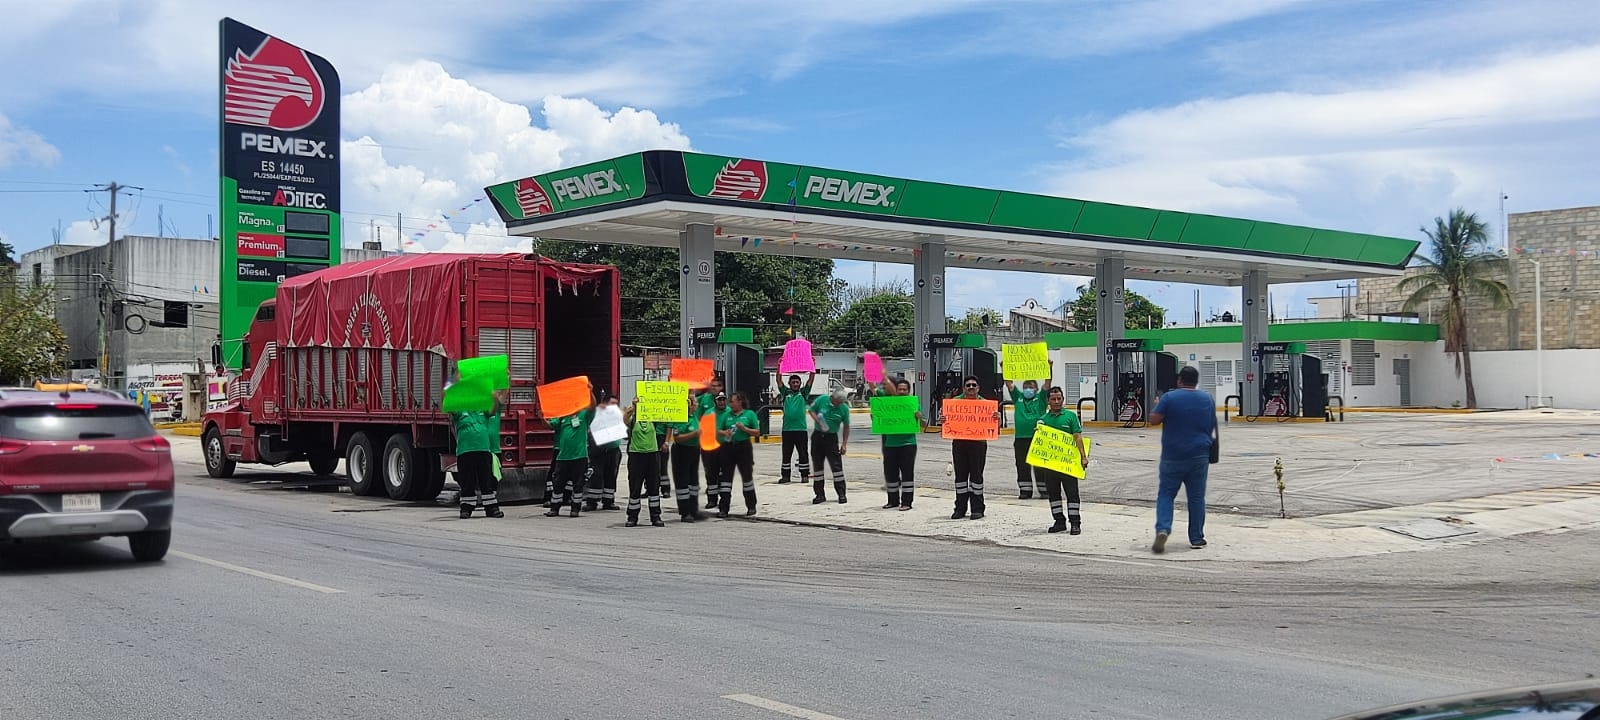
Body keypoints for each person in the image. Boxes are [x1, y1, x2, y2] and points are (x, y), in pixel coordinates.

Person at [1148, 365, 1216, 553]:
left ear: (1179, 380)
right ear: (1196, 381)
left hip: (1173, 456)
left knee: (1166, 494)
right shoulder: (1207, 399)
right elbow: (1211, 424)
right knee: (1196, 498)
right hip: (1199, 455)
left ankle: (1163, 528)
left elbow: (1154, 420)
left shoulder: (1170, 398)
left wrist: (1157, 404)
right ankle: (1196, 538)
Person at [1034, 386, 1087, 534]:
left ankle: (1075, 523)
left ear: (1063, 400)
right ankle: (1059, 521)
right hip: (1050, 466)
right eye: (1053, 399)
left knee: (1072, 494)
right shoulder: (1042, 421)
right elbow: (1039, 443)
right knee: (1054, 494)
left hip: (1068, 465)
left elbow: (1077, 437)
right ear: (1048, 401)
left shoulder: (1070, 417)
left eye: (1059, 399)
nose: (1056, 401)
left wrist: (1083, 456)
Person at [450, 387, 507, 519]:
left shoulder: (483, 411)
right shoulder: (459, 412)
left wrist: (493, 396)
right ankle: (466, 509)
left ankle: (491, 509)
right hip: (465, 451)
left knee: (486, 481)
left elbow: (493, 410)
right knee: (467, 482)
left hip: (483, 450)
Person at [949, 375, 999, 520]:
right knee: (960, 478)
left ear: (978, 388)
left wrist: (997, 418)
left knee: (976, 477)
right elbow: (947, 422)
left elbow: (994, 426)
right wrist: (944, 419)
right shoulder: (954, 403)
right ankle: (960, 508)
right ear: (964, 388)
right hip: (959, 443)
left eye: (973, 385)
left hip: (978, 444)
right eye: (968, 385)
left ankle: (977, 509)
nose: (971, 388)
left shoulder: (986, 405)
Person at [547, 385, 597, 518]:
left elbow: (593, 407)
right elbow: (551, 425)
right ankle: (554, 508)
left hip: (579, 456)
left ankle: (575, 509)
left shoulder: (584, 414)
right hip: (563, 456)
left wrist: (590, 391)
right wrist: (542, 417)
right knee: (558, 484)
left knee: (578, 484)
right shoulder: (562, 416)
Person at [875, 376, 923, 510]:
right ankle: (892, 500)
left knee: (907, 474)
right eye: (899, 389)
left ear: (908, 391)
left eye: (904, 389)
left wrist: (919, 417)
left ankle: (907, 502)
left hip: (908, 444)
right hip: (890, 444)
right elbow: (878, 417)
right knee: (891, 474)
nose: (902, 391)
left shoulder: (913, 405)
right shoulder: (888, 403)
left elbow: (923, 426)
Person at [621, 398, 667, 527]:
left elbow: (667, 416)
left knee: (653, 487)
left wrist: (681, 404)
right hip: (636, 456)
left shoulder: (653, 418)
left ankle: (655, 516)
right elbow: (624, 420)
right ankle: (632, 517)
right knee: (635, 488)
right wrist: (634, 407)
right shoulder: (633, 418)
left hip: (652, 455)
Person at [716, 391, 761, 518]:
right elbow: (719, 429)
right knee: (725, 479)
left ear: (740, 402)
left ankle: (751, 506)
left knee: (747, 477)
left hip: (743, 447)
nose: (730, 404)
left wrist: (744, 429)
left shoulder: (749, 414)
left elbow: (757, 432)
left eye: (732, 401)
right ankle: (723, 508)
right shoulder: (727, 415)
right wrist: (725, 433)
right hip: (728, 447)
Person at [1006, 377, 1050, 500]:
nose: (1028, 389)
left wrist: (1049, 368)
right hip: (1020, 438)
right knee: (1022, 465)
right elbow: (1009, 385)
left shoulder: (1041, 398)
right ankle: (1025, 490)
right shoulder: (1018, 397)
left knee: (1040, 465)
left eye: (1031, 387)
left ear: (1036, 389)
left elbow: (1047, 384)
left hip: (1038, 437)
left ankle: (1044, 490)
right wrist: (1005, 368)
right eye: (1025, 387)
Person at [666, 394, 707, 523]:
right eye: (694, 401)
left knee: (693, 482)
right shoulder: (680, 418)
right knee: (682, 482)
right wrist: (694, 434)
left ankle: (694, 510)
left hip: (694, 450)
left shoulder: (694, 416)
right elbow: (678, 438)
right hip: (681, 451)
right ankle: (685, 512)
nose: (697, 403)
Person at [807, 388, 851, 504]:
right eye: (837, 401)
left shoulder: (844, 409)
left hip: (831, 438)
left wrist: (844, 444)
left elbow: (846, 427)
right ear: (832, 397)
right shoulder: (822, 400)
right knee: (818, 467)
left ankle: (841, 494)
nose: (839, 404)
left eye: (841, 402)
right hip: (818, 436)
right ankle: (819, 495)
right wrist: (819, 421)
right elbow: (811, 410)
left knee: (836, 467)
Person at [774, 372, 816, 485]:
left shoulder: (804, 393)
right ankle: (785, 476)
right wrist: (779, 368)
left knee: (803, 453)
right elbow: (778, 380)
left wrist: (812, 367)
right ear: (789, 383)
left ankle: (804, 475)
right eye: (793, 382)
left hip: (801, 429)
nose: (795, 384)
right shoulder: (785, 393)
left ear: (800, 383)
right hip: (787, 430)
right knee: (786, 454)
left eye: (797, 382)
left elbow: (811, 380)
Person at [584, 395, 623, 512]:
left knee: (611, 476)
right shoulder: (597, 414)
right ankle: (592, 502)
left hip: (613, 450)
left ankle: (608, 501)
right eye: (612, 404)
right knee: (597, 476)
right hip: (599, 451)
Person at [696, 378, 726, 508]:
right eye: (712, 386)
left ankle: (724, 500)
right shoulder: (705, 404)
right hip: (708, 445)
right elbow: (697, 419)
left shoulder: (729, 410)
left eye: (718, 386)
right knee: (710, 472)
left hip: (723, 447)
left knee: (723, 473)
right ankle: (712, 499)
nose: (715, 388)